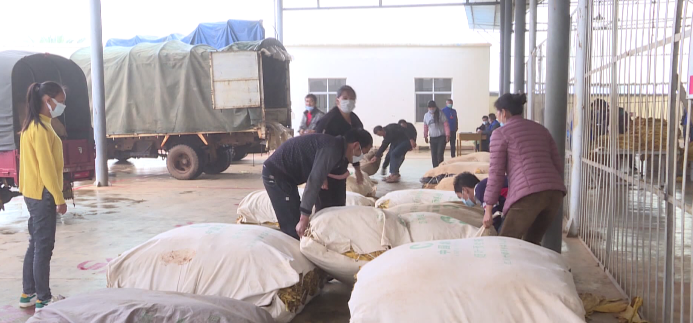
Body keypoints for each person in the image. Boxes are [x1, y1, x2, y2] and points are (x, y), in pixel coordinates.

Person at [483, 93, 566, 245]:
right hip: (554, 194)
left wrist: (488, 208)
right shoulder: (541, 129)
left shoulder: (500, 134)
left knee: (505, 244)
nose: (496, 115)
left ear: (504, 112)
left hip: (528, 195)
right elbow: (558, 164)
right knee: (531, 244)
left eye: (497, 112)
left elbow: (496, 173)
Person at [262, 129, 373, 239]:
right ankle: (291, 253)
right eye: (362, 153)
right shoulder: (332, 149)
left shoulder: (338, 148)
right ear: (356, 146)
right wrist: (304, 217)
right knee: (292, 225)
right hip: (276, 173)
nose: (361, 157)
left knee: (296, 220)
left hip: (288, 177)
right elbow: (314, 181)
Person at [18, 82, 69, 309]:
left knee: (35, 243)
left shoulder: (34, 125)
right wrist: (59, 198)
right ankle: (43, 298)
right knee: (43, 246)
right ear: (48, 100)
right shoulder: (40, 129)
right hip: (43, 194)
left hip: (33, 192)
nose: (62, 105)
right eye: (60, 100)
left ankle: (28, 293)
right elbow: (46, 168)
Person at [312, 85, 367, 209]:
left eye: (352, 98)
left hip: (341, 170)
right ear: (337, 100)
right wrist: (322, 176)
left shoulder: (355, 121)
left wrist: (357, 169)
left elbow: (356, 148)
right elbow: (318, 148)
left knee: (339, 204)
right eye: (345, 98)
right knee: (324, 206)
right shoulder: (328, 121)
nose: (349, 101)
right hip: (326, 170)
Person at [423, 100, 450, 168]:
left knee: (439, 154)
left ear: (435, 107)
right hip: (432, 138)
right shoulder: (426, 116)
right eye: (430, 108)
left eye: (433, 107)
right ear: (428, 108)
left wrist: (447, 135)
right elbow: (425, 126)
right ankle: (435, 169)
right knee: (434, 155)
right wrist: (425, 136)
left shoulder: (440, 114)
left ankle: (441, 168)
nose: (431, 109)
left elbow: (446, 125)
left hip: (441, 137)